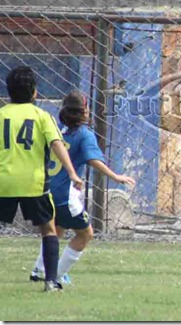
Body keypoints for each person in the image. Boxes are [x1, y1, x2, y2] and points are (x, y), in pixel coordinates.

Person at [29, 90, 136, 284]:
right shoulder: (84, 134)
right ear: (85, 112)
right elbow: (93, 159)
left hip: (44, 189)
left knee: (57, 229)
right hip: (64, 194)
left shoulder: (54, 129)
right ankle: (57, 275)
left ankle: (39, 269)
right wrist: (115, 176)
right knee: (86, 234)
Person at [0, 66, 83, 292]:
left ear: (8, 92)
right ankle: (50, 281)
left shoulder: (1, 115)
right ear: (35, 92)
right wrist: (72, 172)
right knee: (48, 228)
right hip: (33, 183)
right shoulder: (41, 116)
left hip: (3, 182)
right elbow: (57, 144)